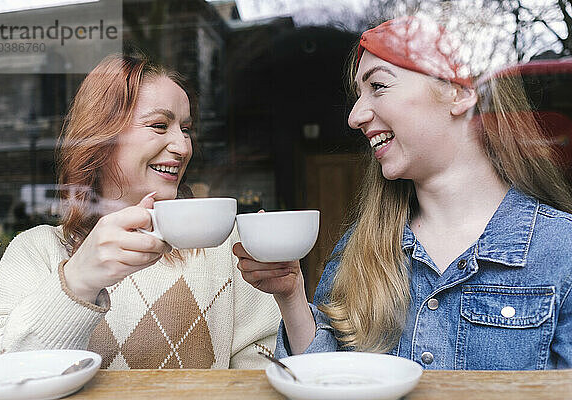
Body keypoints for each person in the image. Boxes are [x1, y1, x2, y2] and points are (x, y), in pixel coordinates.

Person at [233, 16, 572, 370]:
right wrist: (291, 296)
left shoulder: (562, 249)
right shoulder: (359, 249)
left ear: (461, 92)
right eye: (359, 95)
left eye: (378, 86)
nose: (354, 116)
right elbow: (326, 380)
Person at [0, 54, 280, 369]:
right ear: (101, 137)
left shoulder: (226, 245)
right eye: (160, 125)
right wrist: (77, 281)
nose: (183, 146)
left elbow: (265, 369)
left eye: (185, 128)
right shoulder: (37, 250)